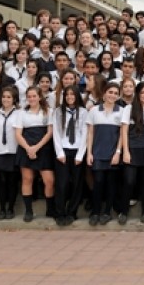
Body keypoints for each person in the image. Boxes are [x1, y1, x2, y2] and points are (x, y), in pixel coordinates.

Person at [14, 86, 56, 223]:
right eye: (29, 96)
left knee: (49, 180)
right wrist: (28, 148)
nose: (32, 99)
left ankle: (50, 209)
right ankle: (28, 210)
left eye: (34, 96)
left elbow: (50, 132)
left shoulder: (48, 111)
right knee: (27, 179)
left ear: (39, 97)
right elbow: (18, 134)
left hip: (43, 147)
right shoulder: (21, 113)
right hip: (26, 147)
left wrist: (37, 147)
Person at [85, 82, 123, 225]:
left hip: (113, 154)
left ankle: (107, 212)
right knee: (98, 182)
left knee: (111, 184)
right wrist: (89, 153)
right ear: (104, 94)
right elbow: (90, 133)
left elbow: (121, 135)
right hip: (98, 153)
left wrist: (118, 152)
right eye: (110, 92)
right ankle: (95, 212)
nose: (112, 95)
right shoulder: (94, 110)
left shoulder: (122, 111)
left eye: (115, 93)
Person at [52, 85, 87, 225]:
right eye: (67, 95)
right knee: (62, 183)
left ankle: (72, 212)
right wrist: (59, 152)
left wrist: (80, 154)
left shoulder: (83, 112)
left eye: (73, 94)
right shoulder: (58, 112)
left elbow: (85, 133)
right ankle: (60, 212)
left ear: (77, 96)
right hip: (63, 150)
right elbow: (56, 132)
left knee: (77, 183)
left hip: (78, 150)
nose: (70, 97)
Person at [0, 86, 20, 220]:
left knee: (12, 181)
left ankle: (10, 208)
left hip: (13, 150)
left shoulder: (19, 113)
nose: (6, 99)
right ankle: (2, 208)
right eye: (4, 97)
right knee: (1, 181)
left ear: (14, 99)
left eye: (9, 97)